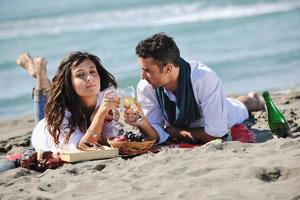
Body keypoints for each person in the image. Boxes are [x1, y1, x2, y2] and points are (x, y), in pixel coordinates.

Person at [124, 32, 265, 144]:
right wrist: (142, 122)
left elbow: (216, 134)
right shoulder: (146, 86)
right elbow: (157, 133)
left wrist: (176, 132)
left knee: (242, 106)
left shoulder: (204, 79)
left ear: (168, 69)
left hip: (225, 114)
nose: (142, 76)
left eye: (147, 70)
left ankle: (254, 99)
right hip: (196, 119)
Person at [16, 51, 120, 152]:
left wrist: (104, 119)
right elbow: (84, 146)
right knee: (52, 100)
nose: (90, 78)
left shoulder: (107, 95)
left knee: (55, 94)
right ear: (69, 83)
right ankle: (40, 75)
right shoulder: (62, 113)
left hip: (66, 104)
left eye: (92, 71)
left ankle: (39, 74)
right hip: (45, 133)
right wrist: (100, 113)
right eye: (80, 75)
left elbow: (109, 137)